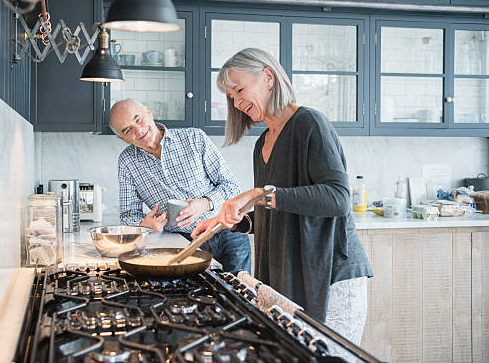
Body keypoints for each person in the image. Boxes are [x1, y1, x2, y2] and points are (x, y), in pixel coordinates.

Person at [191, 48, 372, 358]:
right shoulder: (263, 142)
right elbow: (276, 209)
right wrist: (237, 220)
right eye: (231, 96)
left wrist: (260, 194)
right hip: (293, 272)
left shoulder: (309, 123)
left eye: (239, 90)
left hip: (330, 274)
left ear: (268, 77)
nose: (236, 102)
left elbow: (338, 197)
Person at [110, 98, 251, 273]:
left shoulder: (194, 137)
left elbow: (231, 186)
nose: (138, 130)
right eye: (127, 130)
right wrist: (144, 225)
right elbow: (128, 214)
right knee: (196, 295)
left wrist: (205, 203)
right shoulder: (127, 162)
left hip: (228, 230)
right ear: (122, 138)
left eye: (138, 119)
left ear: (148, 113)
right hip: (183, 242)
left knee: (239, 292)